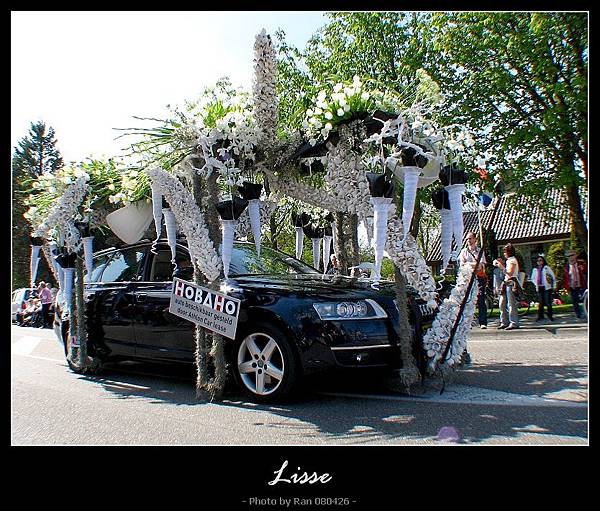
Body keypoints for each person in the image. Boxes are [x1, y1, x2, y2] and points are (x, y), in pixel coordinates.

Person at [459, 231, 488, 329]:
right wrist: (473, 265)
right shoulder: (464, 251)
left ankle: (483, 322)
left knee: (480, 300)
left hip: (479, 278)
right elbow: (462, 265)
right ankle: (468, 322)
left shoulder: (480, 251)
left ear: (475, 239)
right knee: (467, 300)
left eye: (470, 238)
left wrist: (469, 264)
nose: (468, 241)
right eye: (467, 239)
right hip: (467, 278)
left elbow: (481, 266)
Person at [496, 243, 520, 330]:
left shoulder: (512, 260)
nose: (504, 253)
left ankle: (513, 322)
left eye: (505, 252)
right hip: (506, 283)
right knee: (502, 303)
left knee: (511, 303)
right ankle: (504, 321)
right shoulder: (509, 260)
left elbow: (510, 272)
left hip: (511, 283)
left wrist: (501, 267)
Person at [530, 255, 556, 322]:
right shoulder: (535, 269)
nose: (539, 262)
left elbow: (552, 277)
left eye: (540, 260)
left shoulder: (546, 268)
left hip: (546, 287)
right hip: (539, 287)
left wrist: (554, 286)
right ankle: (540, 316)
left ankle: (550, 316)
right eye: (538, 261)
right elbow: (532, 278)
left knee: (548, 302)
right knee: (540, 303)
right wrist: (535, 283)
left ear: (543, 261)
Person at [564, 249, 587, 319]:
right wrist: (567, 288)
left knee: (585, 300)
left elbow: (586, 272)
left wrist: (583, 268)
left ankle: (586, 312)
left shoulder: (581, 263)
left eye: (572, 255)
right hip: (572, 286)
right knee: (575, 301)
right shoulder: (567, 266)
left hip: (581, 285)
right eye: (568, 256)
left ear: (576, 255)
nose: (570, 257)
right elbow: (566, 278)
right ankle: (578, 314)